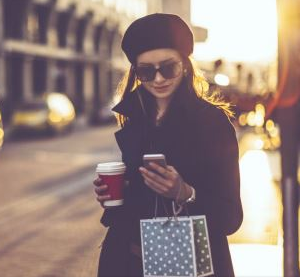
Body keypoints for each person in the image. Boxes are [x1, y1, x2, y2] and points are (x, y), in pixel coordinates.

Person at [93, 13, 243, 277]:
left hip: (188, 265)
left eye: (168, 67)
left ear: (185, 65)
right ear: (136, 72)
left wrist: (185, 192)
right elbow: (137, 203)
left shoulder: (212, 122)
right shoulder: (135, 118)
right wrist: (114, 194)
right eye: (147, 71)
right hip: (126, 262)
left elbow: (230, 216)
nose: (159, 79)